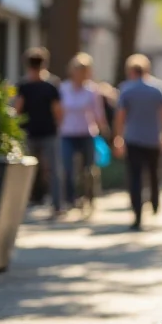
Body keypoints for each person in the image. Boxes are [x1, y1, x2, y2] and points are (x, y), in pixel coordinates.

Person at [113, 54, 162, 230]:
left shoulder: (126, 89)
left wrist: (117, 137)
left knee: (135, 176)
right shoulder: (158, 88)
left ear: (131, 71)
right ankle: (155, 201)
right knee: (154, 172)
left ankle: (137, 214)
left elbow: (120, 117)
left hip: (133, 139)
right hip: (153, 138)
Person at [13, 47, 63, 218]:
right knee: (54, 170)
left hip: (29, 132)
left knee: (27, 169)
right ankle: (57, 205)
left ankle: (23, 203)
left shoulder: (23, 86)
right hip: (49, 132)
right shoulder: (51, 85)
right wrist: (59, 126)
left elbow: (17, 110)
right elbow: (57, 110)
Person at [59, 53, 108, 210]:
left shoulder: (92, 90)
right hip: (67, 133)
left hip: (86, 133)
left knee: (88, 168)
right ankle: (70, 199)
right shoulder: (64, 88)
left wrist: (104, 129)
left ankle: (89, 195)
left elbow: (98, 112)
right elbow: (59, 110)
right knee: (67, 167)